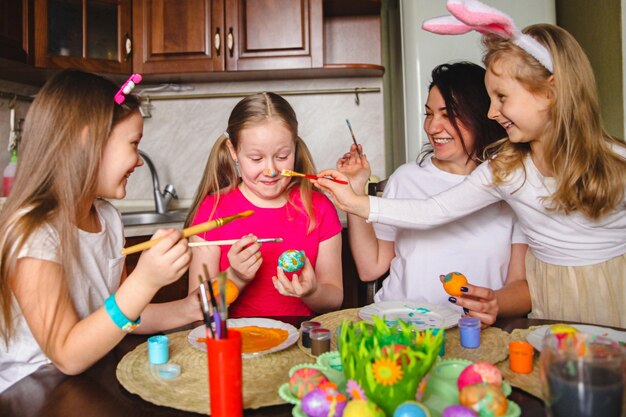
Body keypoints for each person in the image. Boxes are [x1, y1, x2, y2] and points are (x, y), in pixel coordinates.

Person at [316, 22, 626, 327]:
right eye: (429, 113)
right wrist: (354, 199)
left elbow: (518, 284)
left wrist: (497, 302)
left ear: (552, 92)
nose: (494, 111)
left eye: (501, 98)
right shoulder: (506, 171)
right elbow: (433, 211)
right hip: (546, 306)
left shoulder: (613, 164)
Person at [0, 69, 197, 393]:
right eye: (133, 144)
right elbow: (66, 355)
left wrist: (192, 307)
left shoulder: (107, 218)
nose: (137, 161)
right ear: (86, 140)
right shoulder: (33, 233)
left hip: (89, 377)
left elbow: (125, 314)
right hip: (33, 393)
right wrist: (144, 280)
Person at [338, 62, 528, 326]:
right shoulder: (406, 178)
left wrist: (491, 303)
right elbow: (372, 266)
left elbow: (520, 286)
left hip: (474, 331)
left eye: (448, 115)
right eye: (429, 114)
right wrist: (355, 191)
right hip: (399, 327)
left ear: (481, 115)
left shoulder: (513, 184)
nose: (433, 127)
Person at [186, 92, 343, 317]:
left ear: (295, 148)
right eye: (257, 159)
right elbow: (198, 312)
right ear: (233, 152)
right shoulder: (212, 212)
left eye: (282, 156)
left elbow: (334, 299)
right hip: (235, 344)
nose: (271, 170)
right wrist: (234, 276)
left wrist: (312, 291)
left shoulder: (319, 208)